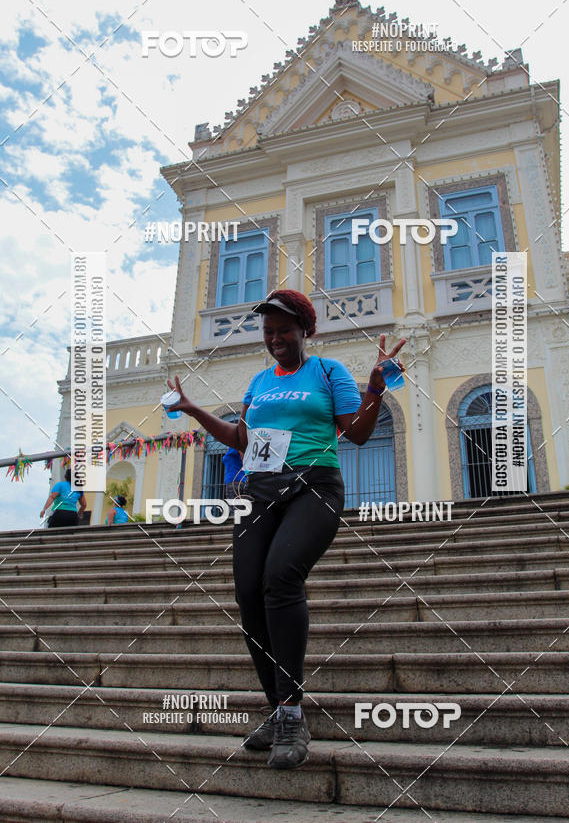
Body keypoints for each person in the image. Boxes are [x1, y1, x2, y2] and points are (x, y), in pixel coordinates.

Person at [166, 288, 405, 770]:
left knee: (280, 577)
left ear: (305, 331)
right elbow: (240, 437)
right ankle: (278, 708)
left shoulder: (327, 371)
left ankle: (293, 713)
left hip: (313, 486)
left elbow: (356, 432)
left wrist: (375, 389)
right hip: (259, 491)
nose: (275, 339)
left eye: (284, 330)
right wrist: (192, 409)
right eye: (268, 331)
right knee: (247, 593)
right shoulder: (259, 381)